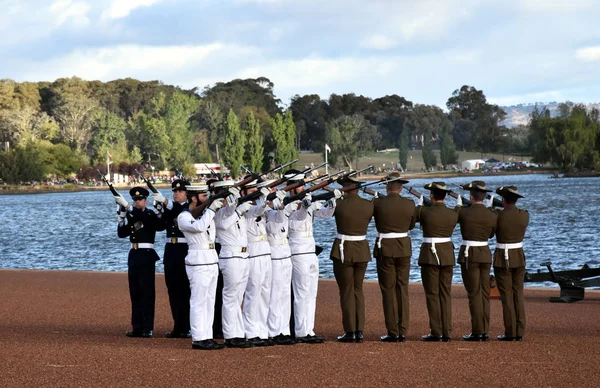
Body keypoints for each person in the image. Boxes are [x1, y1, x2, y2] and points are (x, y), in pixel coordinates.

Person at [286, 169, 334, 344]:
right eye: (300, 185)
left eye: (304, 185)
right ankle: (300, 331)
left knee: (311, 293)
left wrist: (332, 202)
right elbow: (294, 221)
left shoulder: (306, 200)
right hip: (297, 251)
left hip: (311, 250)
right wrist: (306, 207)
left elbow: (326, 214)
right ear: (292, 188)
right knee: (301, 293)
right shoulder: (286, 205)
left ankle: (309, 329)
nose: (304, 188)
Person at [177, 184, 226, 350]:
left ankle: (207, 335)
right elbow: (198, 227)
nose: (206, 199)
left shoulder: (206, 214)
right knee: (198, 301)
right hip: (198, 262)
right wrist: (211, 209)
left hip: (211, 260)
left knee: (209, 301)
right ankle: (198, 338)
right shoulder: (183, 216)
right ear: (194, 198)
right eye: (203, 196)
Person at [115, 187, 165, 338]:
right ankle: (137, 326)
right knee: (135, 293)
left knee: (147, 293)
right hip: (134, 255)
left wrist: (129, 209)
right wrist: (121, 219)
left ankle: (147, 327)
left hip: (146, 255)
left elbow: (153, 223)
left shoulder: (149, 214)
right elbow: (121, 234)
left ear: (145, 201)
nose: (137, 202)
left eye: (140, 200)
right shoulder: (132, 215)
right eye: (135, 200)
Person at [372, 172, 415, 343]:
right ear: (401, 187)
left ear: (387, 186)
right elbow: (411, 225)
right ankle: (403, 330)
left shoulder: (378, 203)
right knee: (402, 289)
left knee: (388, 290)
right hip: (403, 247)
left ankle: (392, 331)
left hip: (385, 249)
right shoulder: (410, 204)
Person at [329, 175, 372, 343]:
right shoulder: (368, 206)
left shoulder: (339, 204)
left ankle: (350, 331)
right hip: (361, 250)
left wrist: (334, 197)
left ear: (346, 188)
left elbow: (325, 211)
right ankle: (360, 330)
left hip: (344, 250)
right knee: (358, 290)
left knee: (346, 292)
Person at [415, 182, 458, 342]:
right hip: (447, 254)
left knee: (432, 294)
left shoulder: (424, 212)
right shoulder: (453, 213)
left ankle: (436, 331)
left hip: (430, 256)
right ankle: (447, 331)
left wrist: (419, 206)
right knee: (445, 293)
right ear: (445, 197)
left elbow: (414, 218)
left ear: (431, 196)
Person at [456, 181, 497, 342]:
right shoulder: (492, 214)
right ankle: (484, 330)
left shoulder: (464, 212)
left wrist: (458, 206)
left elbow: (455, 218)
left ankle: (477, 331)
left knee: (474, 293)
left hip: (470, 254)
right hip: (485, 253)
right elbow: (492, 234)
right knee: (484, 293)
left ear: (471, 197)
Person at [213, 180, 253, 348]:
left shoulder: (234, 209)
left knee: (238, 297)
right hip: (230, 256)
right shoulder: (218, 212)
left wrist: (264, 202)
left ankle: (237, 332)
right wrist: (237, 211)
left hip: (243, 256)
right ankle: (230, 335)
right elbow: (222, 225)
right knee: (230, 296)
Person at [153, 179, 192, 338]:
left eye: (180, 191)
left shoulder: (190, 208)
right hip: (171, 250)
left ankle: (188, 326)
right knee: (173, 289)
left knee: (186, 289)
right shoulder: (171, 209)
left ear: (187, 194)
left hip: (184, 250)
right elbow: (160, 226)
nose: (176, 194)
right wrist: (160, 211)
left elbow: (180, 214)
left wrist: (166, 204)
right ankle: (178, 325)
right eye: (174, 191)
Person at [493, 186, 529, 341]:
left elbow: (490, 232)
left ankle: (510, 331)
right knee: (518, 293)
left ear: (503, 199)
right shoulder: (524, 215)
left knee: (507, 296)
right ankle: (520, 331)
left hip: (503, 256)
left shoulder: (497, 216)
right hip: (519, 256)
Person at [241, 178, 273, 346]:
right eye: (251, 191)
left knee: (265, 293)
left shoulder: (257, 206)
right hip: (253, 251)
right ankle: (250, 331)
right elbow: (258, 210)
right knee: (253, 293)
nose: (254, 193)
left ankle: (262, 330)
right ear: (243, 193)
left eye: (256, 190)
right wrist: (266, 200)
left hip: (265, 251)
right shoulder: (246, 208)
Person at [264, 181, 295, 345]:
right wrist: (283, 209)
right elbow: (275, 229)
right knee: (275, 295)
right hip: (274, 254)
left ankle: (284, 329)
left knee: (284, 294)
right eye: (272, 190)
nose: (276, 192)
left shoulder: (276, 210)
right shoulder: (266, 212)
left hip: (285, 253)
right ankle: (274, 331)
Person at [206, 178, 224, 339]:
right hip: (213, 248)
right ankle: (213, 326)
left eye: (215, 191)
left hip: (223, 247)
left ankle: (222, 326)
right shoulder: (207, 207)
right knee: (214, 291)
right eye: (210, 191)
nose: (212, 194)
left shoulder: (222, 207)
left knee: (223, 290)